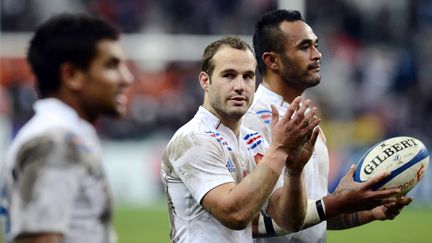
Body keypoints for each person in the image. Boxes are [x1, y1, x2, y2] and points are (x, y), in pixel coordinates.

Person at [243, 9, 412, 243]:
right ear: (272, 60)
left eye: (316, 45)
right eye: (304, 47)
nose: (317, 54)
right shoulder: (250, 122)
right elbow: (247, 221)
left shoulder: (310, 124)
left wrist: (369, 212)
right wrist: (337, 202)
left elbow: (311, 217)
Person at [161, 35, 323, 242]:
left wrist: (294, 169)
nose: (240, 86)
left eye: (247, 76)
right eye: (228, 75)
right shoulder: (192, 139)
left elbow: (289, 221)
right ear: (205, 81)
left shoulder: (253, 140)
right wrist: (279, 150)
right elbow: (235, 214)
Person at [0, 13, 133, 243]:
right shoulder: (55, 140)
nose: (127, 78)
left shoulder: (68, 133)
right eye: (112, 65)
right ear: (72, 76)